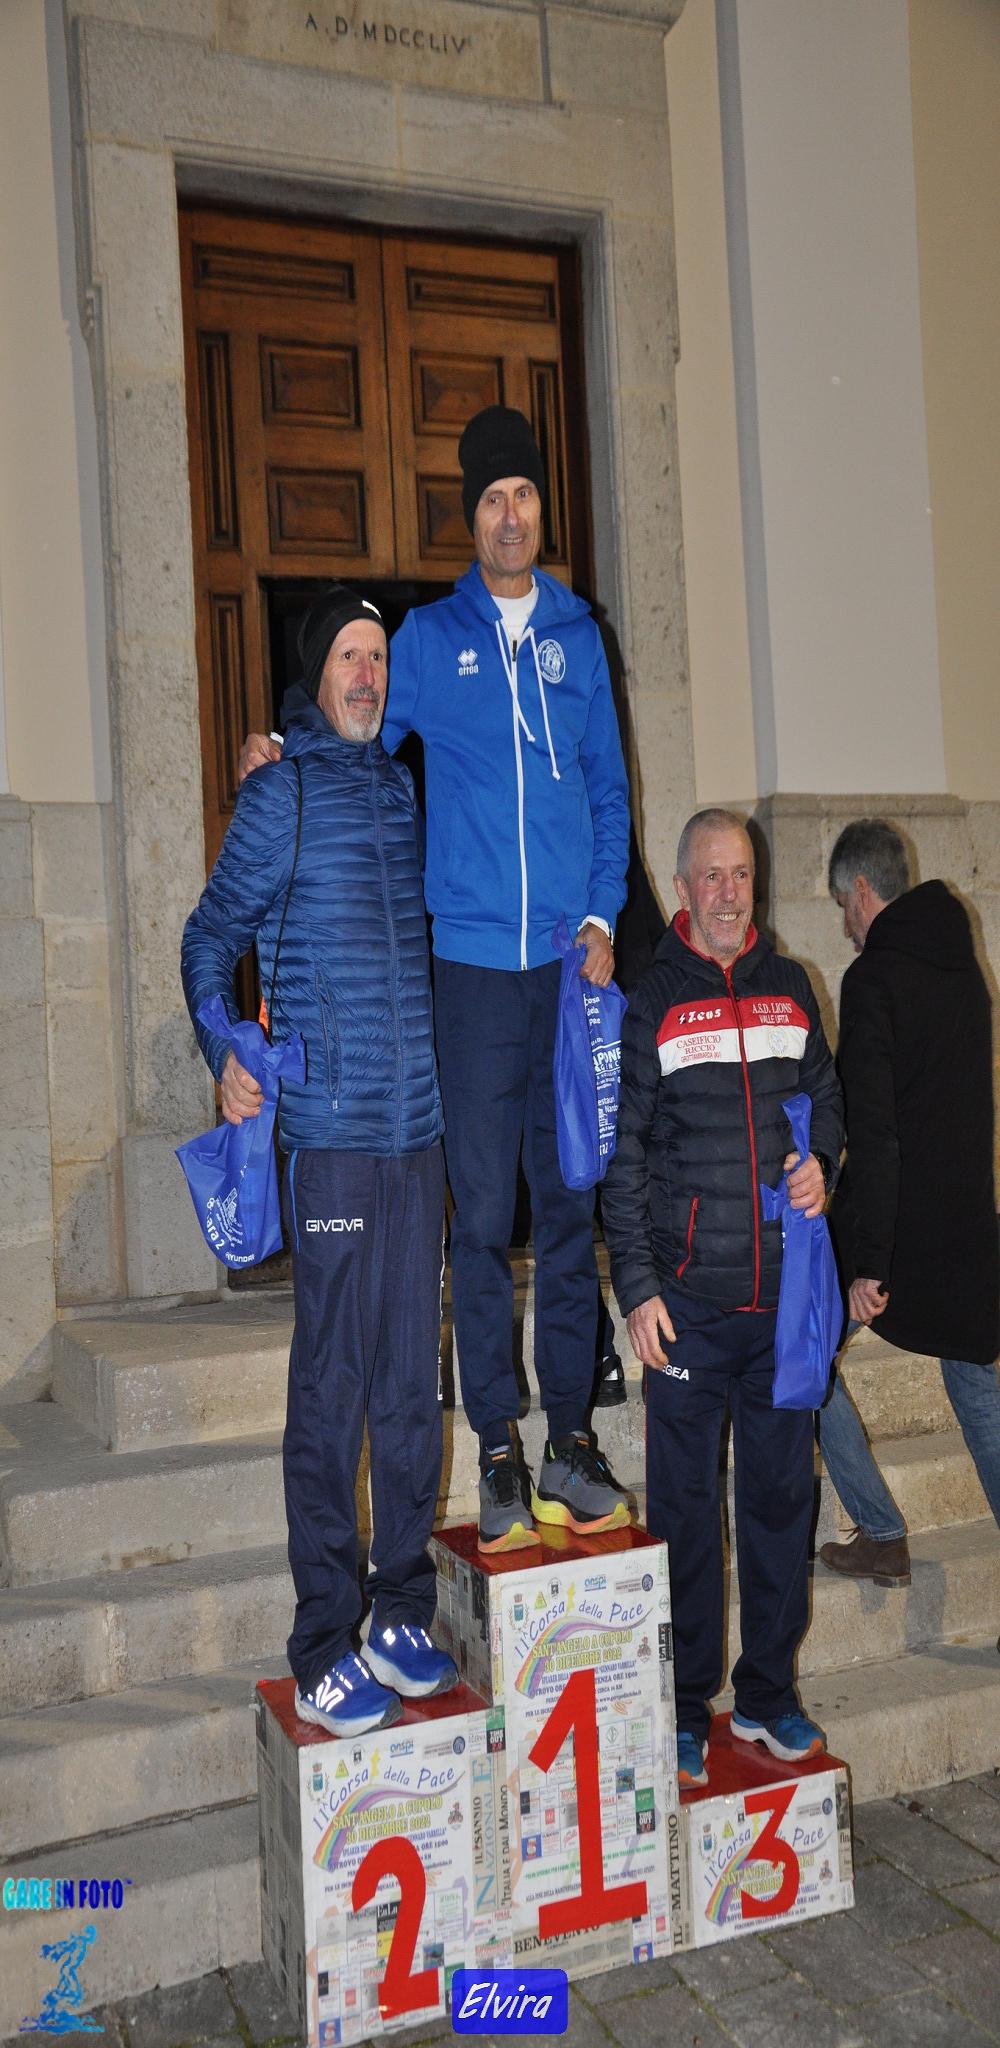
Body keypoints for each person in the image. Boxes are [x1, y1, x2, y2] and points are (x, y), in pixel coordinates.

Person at [240, 407, 633, 1554]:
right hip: (465, 969)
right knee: (482, 1218)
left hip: (563, 967)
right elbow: (350, 712)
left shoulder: (577, 635)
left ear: (542, 510)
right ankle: (499, 1446)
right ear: (471, 518)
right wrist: (281, 744)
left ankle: (570, 1438)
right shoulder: (428, 636)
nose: (509, 515)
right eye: (491, 499)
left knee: (568, 1207)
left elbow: (607, 788)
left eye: (524, 495)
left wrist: (601, 913)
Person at [182, 585, 458, 1738]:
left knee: (410, 1387)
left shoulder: (401, 788)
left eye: (377, 656)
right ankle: (321, 1642)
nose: (368, 674)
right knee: (333, 1390)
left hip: (416, 1138)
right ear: (315, 672)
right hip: (332, 1137)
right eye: (349, 655)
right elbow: (210, 936)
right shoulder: (280, 791)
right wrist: (224, 1048)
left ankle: (399, 1608)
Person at [601, 809, 844, 1787]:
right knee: (685, 1516)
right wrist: (636, 1288)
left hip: (784, 1307)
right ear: (681, 887)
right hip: (689, 1310)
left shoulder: (792, 987)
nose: (727, 892)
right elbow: (622, 1155)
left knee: (782, 1504)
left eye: (740, 873)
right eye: (710, 875)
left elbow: (828, 1100)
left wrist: (824, 1163)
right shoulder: (653, 999)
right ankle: (682, 1701)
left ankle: (766, 1694)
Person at [818, 818, 1000, 1587]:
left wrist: (869, 1263)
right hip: (968, 1226)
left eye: (842, 907)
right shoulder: (965, 967)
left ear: (863, 891)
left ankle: (883, 1532)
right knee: (977, 1391)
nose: (845, 925)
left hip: (892, 1229)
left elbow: (876, 1136)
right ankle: (883, 1536)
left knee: (802, 1358)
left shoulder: (874, 980)